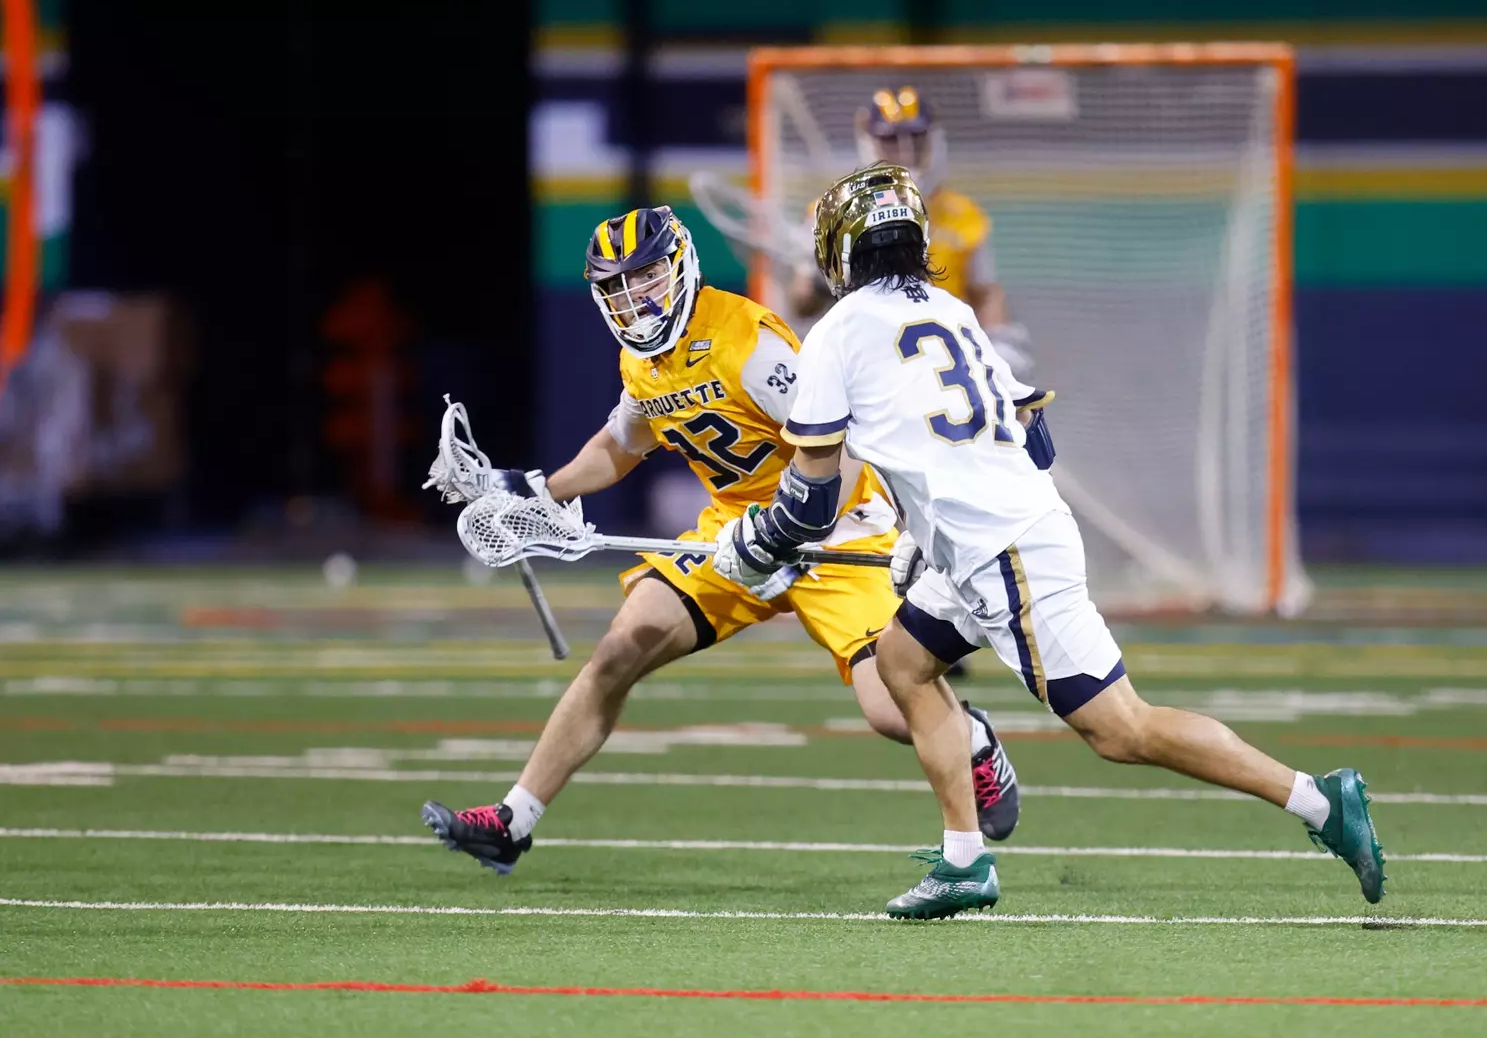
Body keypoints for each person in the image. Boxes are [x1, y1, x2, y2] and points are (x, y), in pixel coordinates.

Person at [713, 165, 1386, 919]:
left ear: (840, 250)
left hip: (1003, 554)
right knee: (902, 663)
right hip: (993, 537)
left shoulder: (835, 332)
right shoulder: (952, 309)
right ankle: (965, 861)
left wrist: (755, 543)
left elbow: (810, 500)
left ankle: (1321, 802)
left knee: (1122, 730)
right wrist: (924, 530)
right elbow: (1034, 438)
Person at [420, 205, 1020, 874]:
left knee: (889, 705)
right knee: (620, 648)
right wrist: (536, 490)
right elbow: (619, 445)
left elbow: (841, 447)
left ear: (678, 268)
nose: (632, 298)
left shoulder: (745, 342)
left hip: (835, 526)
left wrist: (793, 525)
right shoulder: (643, 362)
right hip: (735, 533)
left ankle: (972, 742)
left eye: (643, 277)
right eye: (615, 287)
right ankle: (512, 821)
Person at [787, 86, 1029, 377]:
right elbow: (801, 305)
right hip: (865, 367)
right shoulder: (828, 214)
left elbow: (986, 292)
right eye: (890, 140)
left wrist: (998, 341)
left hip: (944, 367)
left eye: (915, 138)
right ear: (870, 143)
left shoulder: (965, 215)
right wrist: (818, 279)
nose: (905, 151)